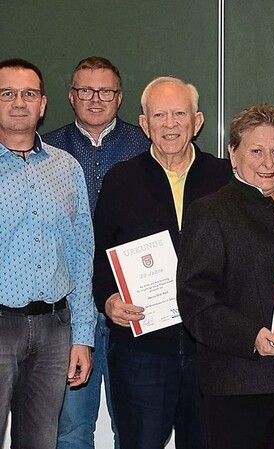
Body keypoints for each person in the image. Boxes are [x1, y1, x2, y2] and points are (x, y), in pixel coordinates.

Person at [177, 104, 274, 449]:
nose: (269, 163)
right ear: (233, 154)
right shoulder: (210, 211)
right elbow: (195, 299)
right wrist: (252, 336)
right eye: (256, 151)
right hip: (238, 380)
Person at [92, 76, 231, 449]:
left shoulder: (225, 179)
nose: (170, 124)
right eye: (160, 115)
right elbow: (99, 256)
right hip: (142, 350)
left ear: (198, 121)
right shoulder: (121, 181)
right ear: (144, 124)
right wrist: (108, 300)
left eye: (179, 114)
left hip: (210, 351)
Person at [43, 56, 150, 449]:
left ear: (119, 98)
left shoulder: (147, 148)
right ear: (71, 97)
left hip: (134, 310)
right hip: (69, 317)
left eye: (105, 90)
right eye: (85, 90)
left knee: (136, 429)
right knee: (71, 429)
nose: (95, 98)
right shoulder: (45, 149)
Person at [0, 58, 95, 448]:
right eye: (7, 93)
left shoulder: (67, 167)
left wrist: (83, 336)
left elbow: (81, 254)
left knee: (41, 442)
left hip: (56, 329)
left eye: (28, 94)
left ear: (43, 104)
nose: (19, 102)